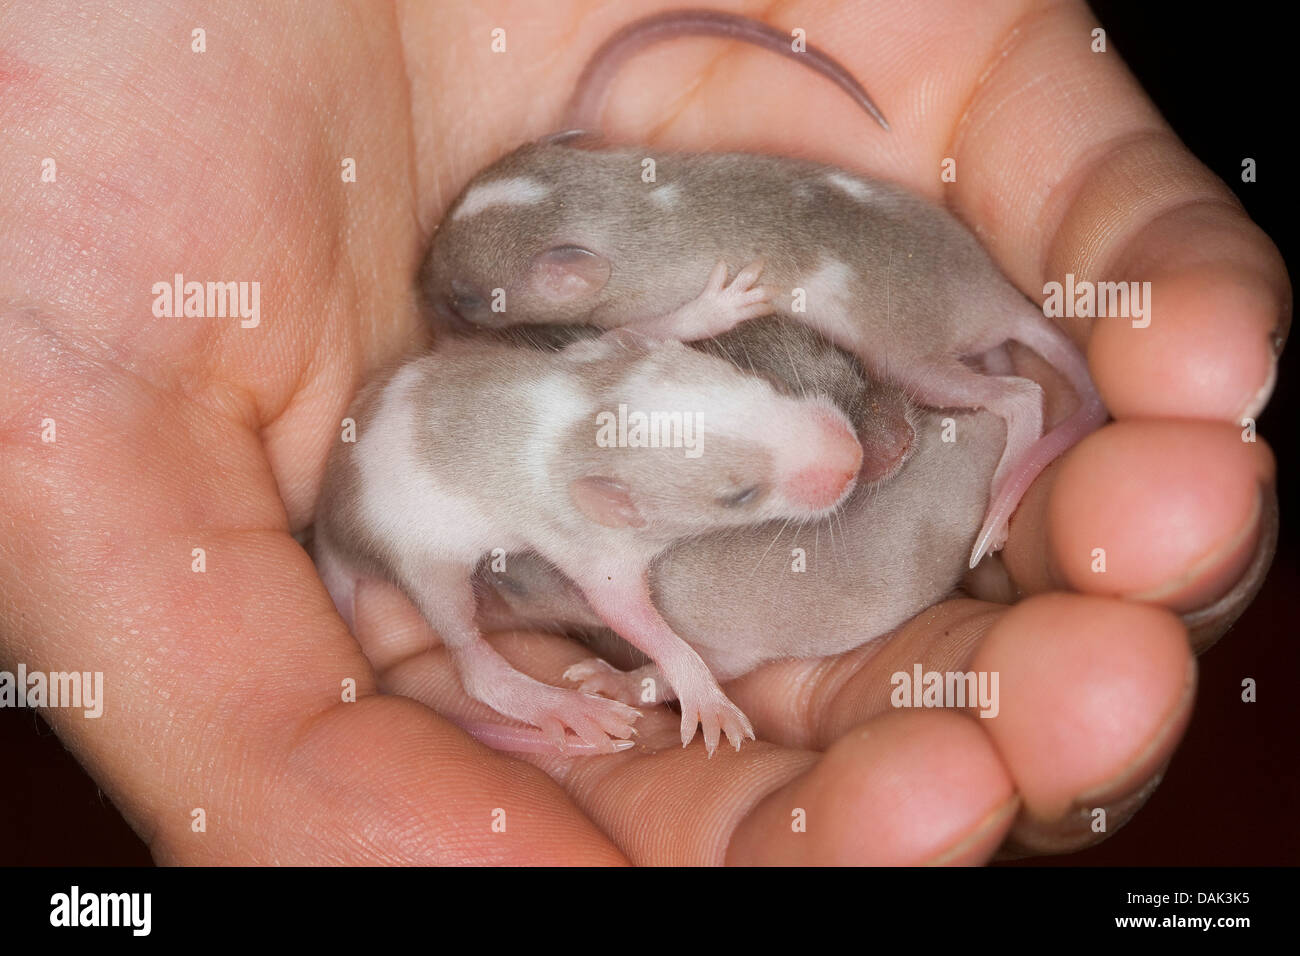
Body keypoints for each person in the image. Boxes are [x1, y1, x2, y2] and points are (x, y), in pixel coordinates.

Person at [0, 0, 1282, 864]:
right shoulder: (592, 496)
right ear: (618, 502)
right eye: (737, 491)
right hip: (426, 494)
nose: (833, 466)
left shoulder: (630, 377)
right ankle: (492, 675)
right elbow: (629, 587)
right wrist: (678, 669)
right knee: (456, 598)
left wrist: (681, 661)